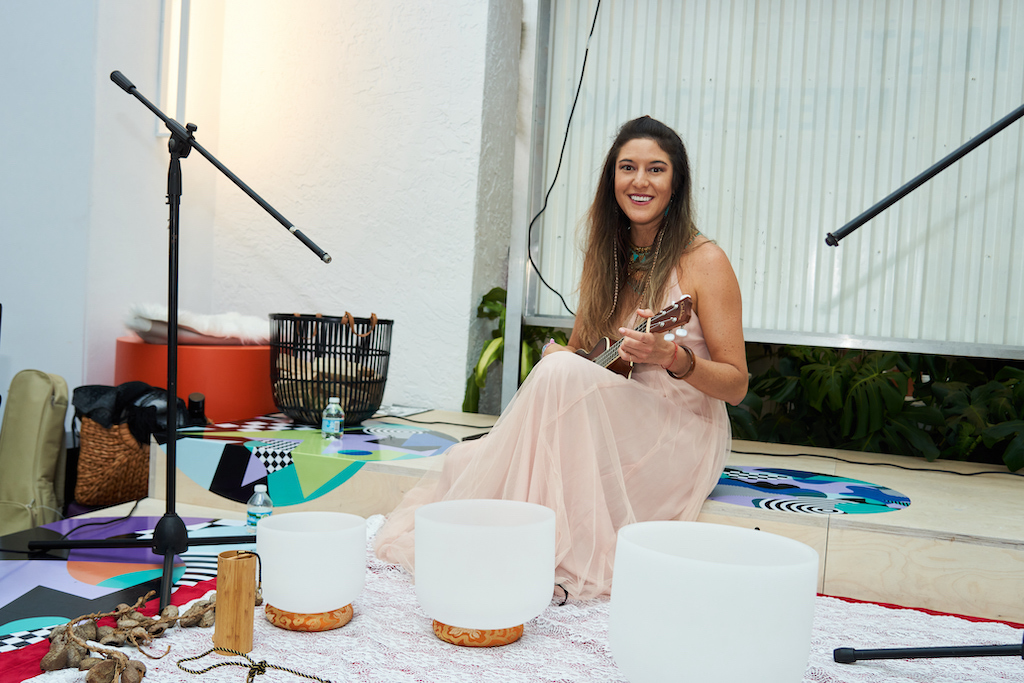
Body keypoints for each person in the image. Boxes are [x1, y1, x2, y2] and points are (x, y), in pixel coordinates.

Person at [374, 116, 747, 600]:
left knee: (542, 400)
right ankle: (515, 549)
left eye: (656, 169)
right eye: (627, 167)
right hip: (617, 420)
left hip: (681, 432)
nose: (640, 181)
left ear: (676, 183)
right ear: (611, 179)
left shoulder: (705, 260)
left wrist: (674, 357)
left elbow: (736, 385)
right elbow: (582, 356)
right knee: (467, 457)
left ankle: (532, 555)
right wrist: (560, 353)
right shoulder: (606, 255)